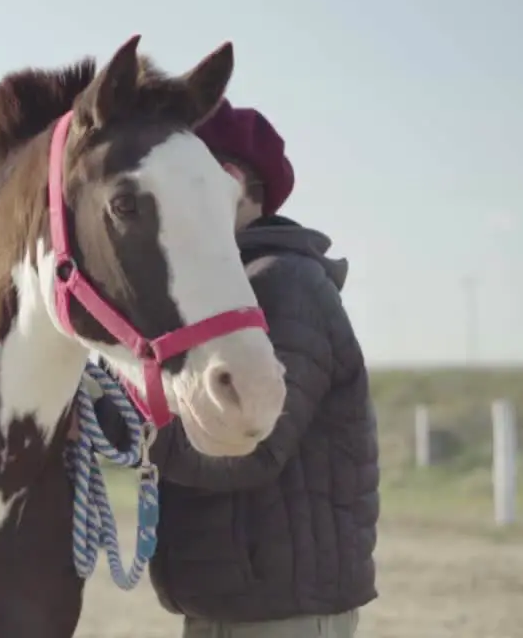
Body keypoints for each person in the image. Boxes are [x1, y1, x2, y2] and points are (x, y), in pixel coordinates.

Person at [143, 100, 379, 638]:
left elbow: (248, 448)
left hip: (277, 614)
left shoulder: (280, 286)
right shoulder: (234, 296)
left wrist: (135, 428)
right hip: (238, 603)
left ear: (228, 179)